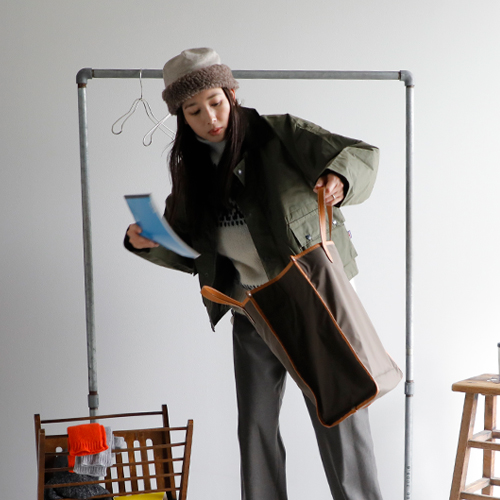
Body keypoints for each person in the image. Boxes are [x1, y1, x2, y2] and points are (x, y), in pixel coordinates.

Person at [125, 47, 383, 500]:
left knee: (339, 414)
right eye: (194, 110)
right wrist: (147, 241)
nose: (209, 117)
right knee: (256, 426)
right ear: (181, 116)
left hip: (313, 302)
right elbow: (193, 251)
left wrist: (339, 179)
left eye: (215, 102)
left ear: (231, 93)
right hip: (251, 309)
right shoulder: (190, 173)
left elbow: (359, 155)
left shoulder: (279, 134)